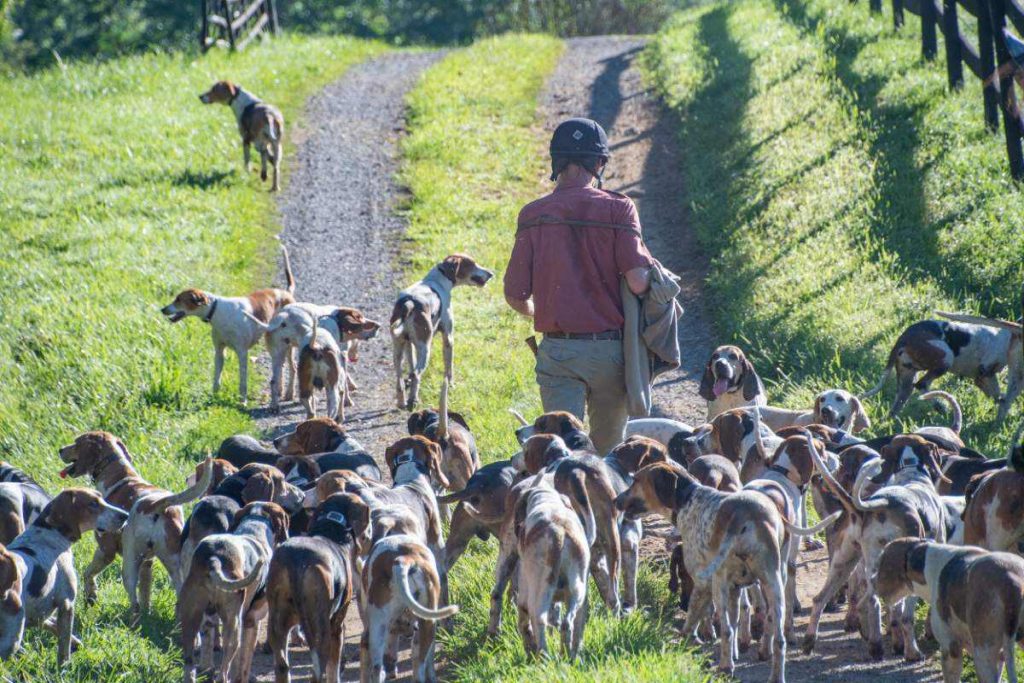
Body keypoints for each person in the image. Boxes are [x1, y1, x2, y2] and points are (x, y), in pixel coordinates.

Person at [504, 117, 653, 454]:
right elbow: (638, 281)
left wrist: (541, 312)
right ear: (600, 163)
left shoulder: (533, 214)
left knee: (561, 455)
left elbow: (515, 294)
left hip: (558, 352)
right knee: (608, 457)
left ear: (557, 162)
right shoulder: (620, 208)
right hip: (610, 353)